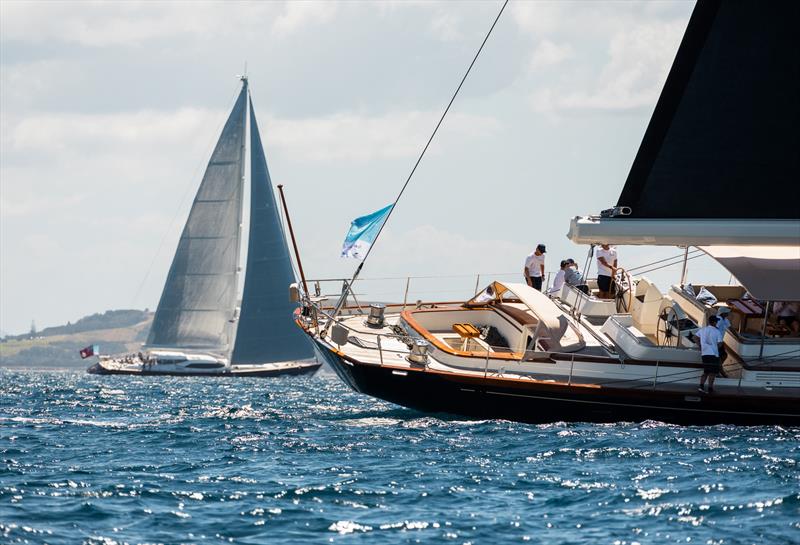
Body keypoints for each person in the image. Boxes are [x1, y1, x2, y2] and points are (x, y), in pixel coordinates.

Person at [696, 315, 724, 394]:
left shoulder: (703, 330)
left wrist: (700, 345)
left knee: (706, 371)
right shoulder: (717, 331)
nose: (717, 323)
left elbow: (695, 337)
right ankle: (710, 389)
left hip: (704, 354)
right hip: (713, 354)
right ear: (714, 322)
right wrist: (715, 347)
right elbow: (720, 343)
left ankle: (701, 387)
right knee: (713, 373)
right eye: (717, 321)